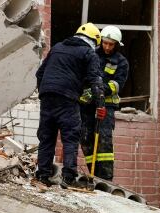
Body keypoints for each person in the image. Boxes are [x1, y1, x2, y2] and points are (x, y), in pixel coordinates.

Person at [35, 23, 105, 187]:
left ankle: (43, 175)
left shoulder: (58, 47)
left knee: (46, 137)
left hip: (47, 96)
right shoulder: (89, 52)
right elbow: (96, 81)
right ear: (94, 41)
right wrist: (100, 105)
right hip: (67, 98)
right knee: (70, 137)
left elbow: (39, 73)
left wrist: (45, 92)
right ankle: (69, 178)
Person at [79, 25, 129, 180]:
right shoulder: (91, 54)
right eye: (105, 43)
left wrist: (97, 91)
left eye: (111, 44)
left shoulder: (121, 62)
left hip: (106, 106)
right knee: (86, 139)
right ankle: (93, 175)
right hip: (87, 106)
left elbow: (116, 85)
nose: (107, 47)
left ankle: (106, 178)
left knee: (104, 141)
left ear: (116, 45)